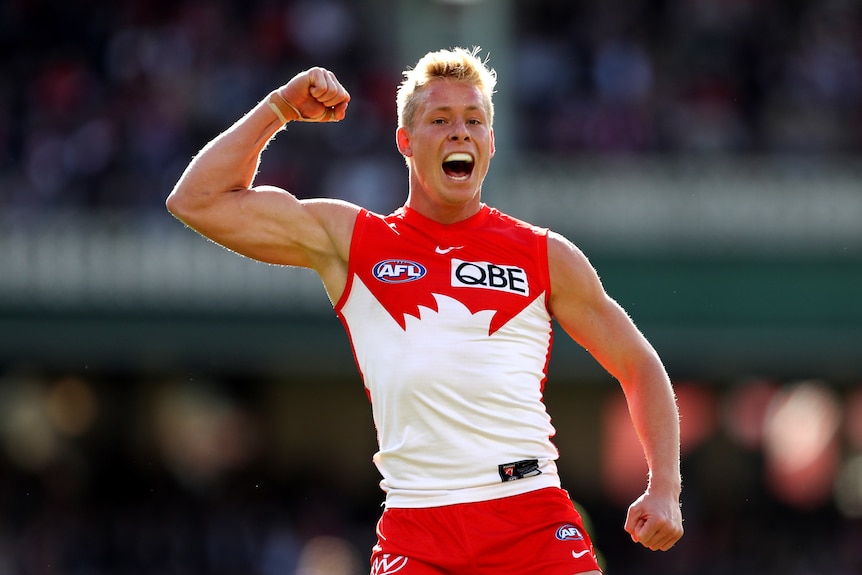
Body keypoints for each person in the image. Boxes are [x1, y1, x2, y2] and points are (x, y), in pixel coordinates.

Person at [167, 47, 683, 575]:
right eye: (440, 119)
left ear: (490, 143)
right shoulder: (354, 240)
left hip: (531, 518)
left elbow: (639, 365)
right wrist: (279, 107)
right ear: (405, 142)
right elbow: (197, 200)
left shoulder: (546, 255)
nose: (460, 132)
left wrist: (664, 487)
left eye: (474, 121)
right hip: (417, 532)